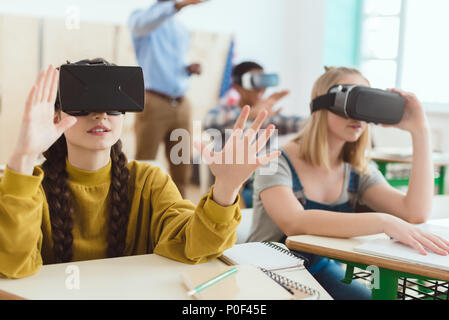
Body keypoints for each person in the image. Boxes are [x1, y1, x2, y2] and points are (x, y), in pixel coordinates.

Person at [0, 61, 280, 279]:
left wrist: (225, 189)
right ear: (55, 116)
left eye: (113, 105)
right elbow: (13, 265)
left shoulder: (149, 182)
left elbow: (195, 247)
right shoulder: (26, 185)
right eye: (83, 105)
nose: (100, 114)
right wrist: (23, 158)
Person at [247, 66, 449, 300]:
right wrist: (382, 221)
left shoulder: (357, 169)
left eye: (366, 105)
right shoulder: (274, 160)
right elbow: (294, 221)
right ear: (322, 106)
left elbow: (414, 213)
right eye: (352, 102)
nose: (358, 116)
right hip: (265, 270)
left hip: (319, 269)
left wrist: (420, 130)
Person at [204, 61, 306, 207]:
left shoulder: (267, 112)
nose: (261, 90)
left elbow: (293, 123)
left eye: (263, 84)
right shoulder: (226, 109)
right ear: (237, 88)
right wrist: (251, 114)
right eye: (254, 84)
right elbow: (208, 123)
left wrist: (321, 116)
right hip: (235, 187)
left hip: (262, 183)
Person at [128, 0, 203, 197]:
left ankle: (179, 215)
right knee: (145, 163)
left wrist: (188, 69)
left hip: (182, 104)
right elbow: (146, 23)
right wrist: (179, 5)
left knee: (182, 165)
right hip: (154, 103)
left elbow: (173, 64)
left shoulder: (180, 28)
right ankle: (139, 213)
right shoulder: (141, 19)